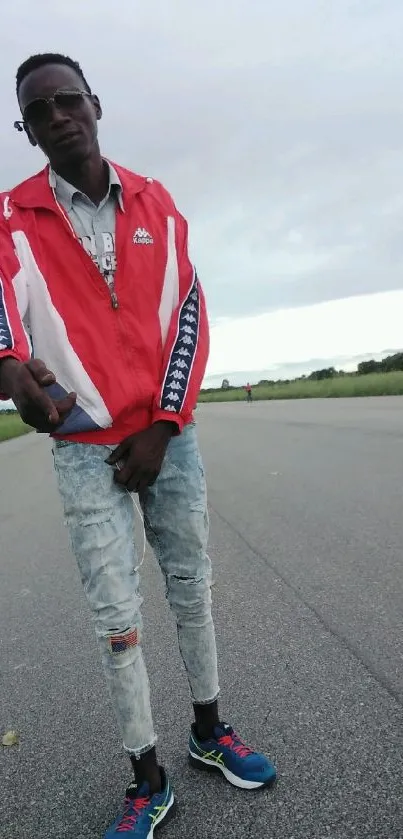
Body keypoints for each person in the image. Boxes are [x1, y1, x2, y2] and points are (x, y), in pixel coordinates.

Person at [0, 53, 276, 838]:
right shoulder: (11, 216)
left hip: (167, 438)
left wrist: (163, 423)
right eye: (37, 110)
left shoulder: (157, 199)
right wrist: (10, 365)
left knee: (191, 585)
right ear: (25, 129)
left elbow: (186, 311)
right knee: (114, 614)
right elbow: (1, 302)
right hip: (85, 444)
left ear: (94, 103)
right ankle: (144, 775)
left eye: (66, 100)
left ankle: (207, 731)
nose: (57, 116)